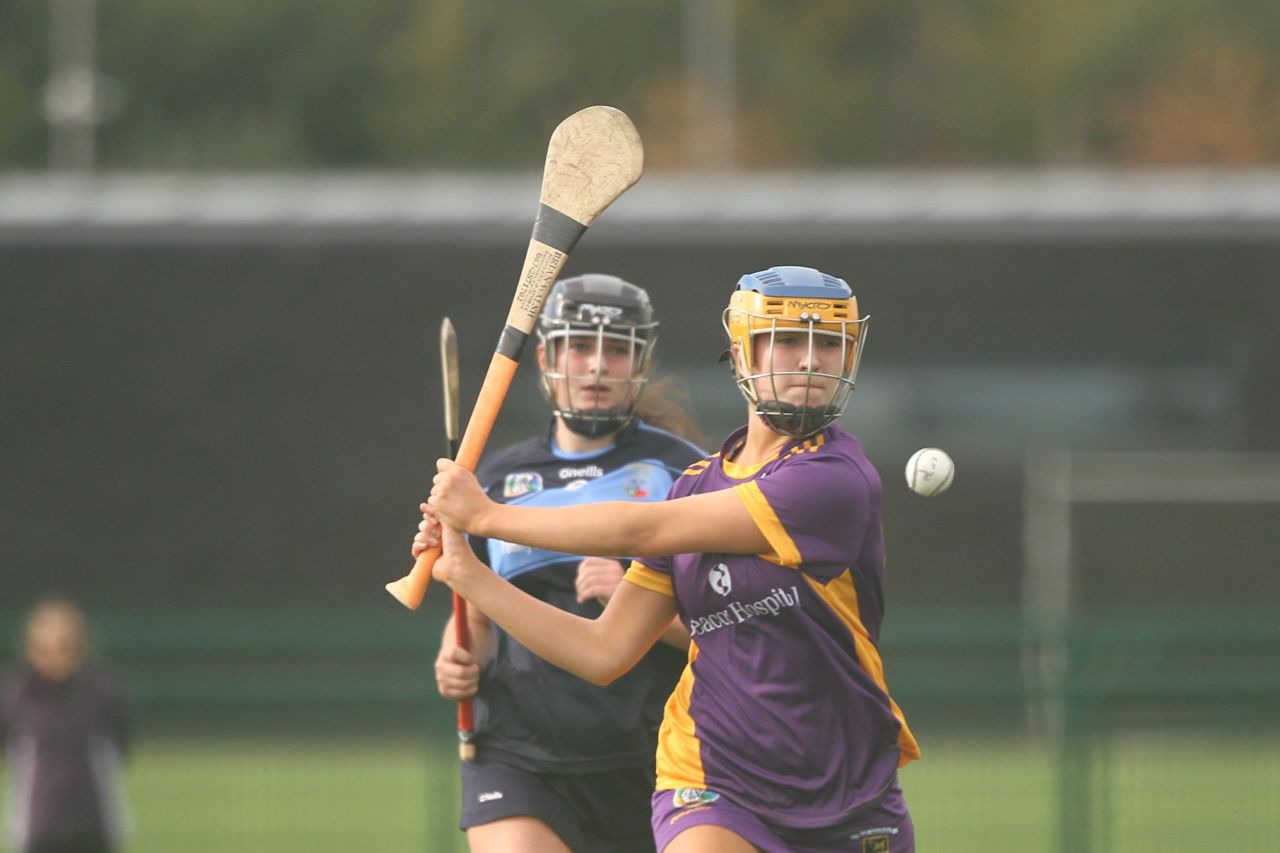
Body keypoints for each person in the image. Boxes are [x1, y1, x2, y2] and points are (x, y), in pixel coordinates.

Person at [418, 266, 921, 853]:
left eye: (829, 344)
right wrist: (468, 575)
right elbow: (602, 651)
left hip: (847, 786)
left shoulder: (832, 481)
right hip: (712, 779)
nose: (810, 360)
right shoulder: (693, 486)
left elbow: (643, 525)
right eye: (786, 339)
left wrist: (487, 517)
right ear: (741, 354)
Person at [431, 273, 706, 852]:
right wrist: (460, 655)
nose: (597, 366)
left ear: (642, 361)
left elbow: (733, 631)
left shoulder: (689, 475)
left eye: (615, 349)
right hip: (519, 754)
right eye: (580, 347)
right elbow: (477, 617)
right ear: (547, 357)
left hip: (660, 757)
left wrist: (638, 603)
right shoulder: (493, 479)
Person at [1, 599, 132, 853]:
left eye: (67, 647)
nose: (58, 657)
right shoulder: (15, 697)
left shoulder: (103, 693)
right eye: (48, 648)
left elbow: (121, 744)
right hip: (37, 828)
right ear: (32, 649)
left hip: (95, 826)